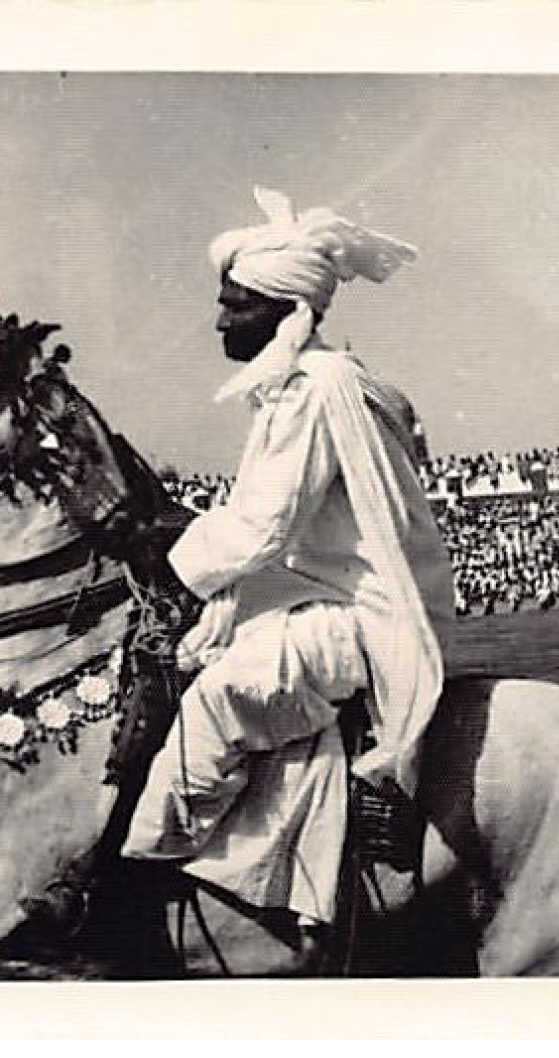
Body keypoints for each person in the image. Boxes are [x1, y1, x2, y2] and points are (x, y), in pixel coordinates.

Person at [122, 187, 457, 941]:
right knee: (197, 655)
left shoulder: (317, 387)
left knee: (221, 695)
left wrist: (173, 572)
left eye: (234, 304)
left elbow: (265, 524)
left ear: (286, 312)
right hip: (322, 593)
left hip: (365, 613)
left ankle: (146, 875)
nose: (219, 319)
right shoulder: (317, 382)